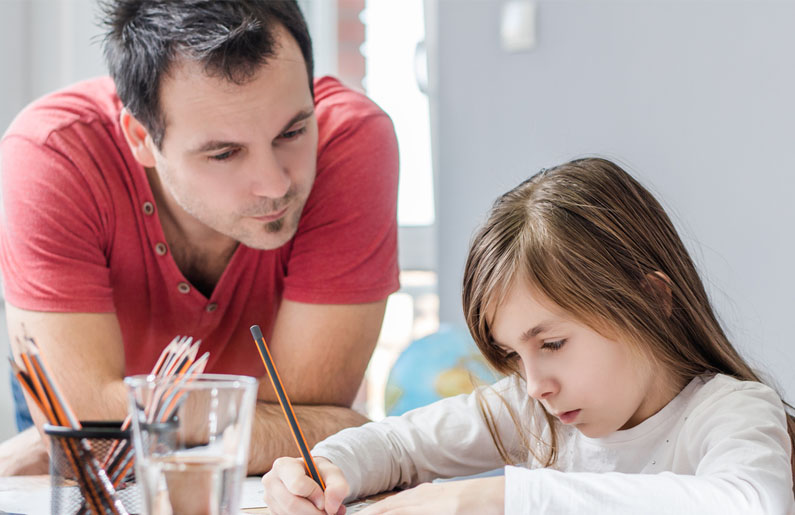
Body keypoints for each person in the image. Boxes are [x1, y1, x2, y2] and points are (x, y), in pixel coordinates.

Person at [262, 158, 795, 514]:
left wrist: (495, 498)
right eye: (513, 355)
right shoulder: (531, 412)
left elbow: (749, 502)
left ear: (653, 302)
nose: (535, 382)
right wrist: (326, 468)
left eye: (552, 344)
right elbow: (400, 443)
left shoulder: (732, 410)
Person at [0, 0, 399, 475]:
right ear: (141, 138)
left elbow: (303, 425)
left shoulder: (350, 139)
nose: (275, 185)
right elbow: (86, 434)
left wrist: (107, 418)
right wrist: (80, 428)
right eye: (224, 153)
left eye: (292, 131)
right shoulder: (52, 152)